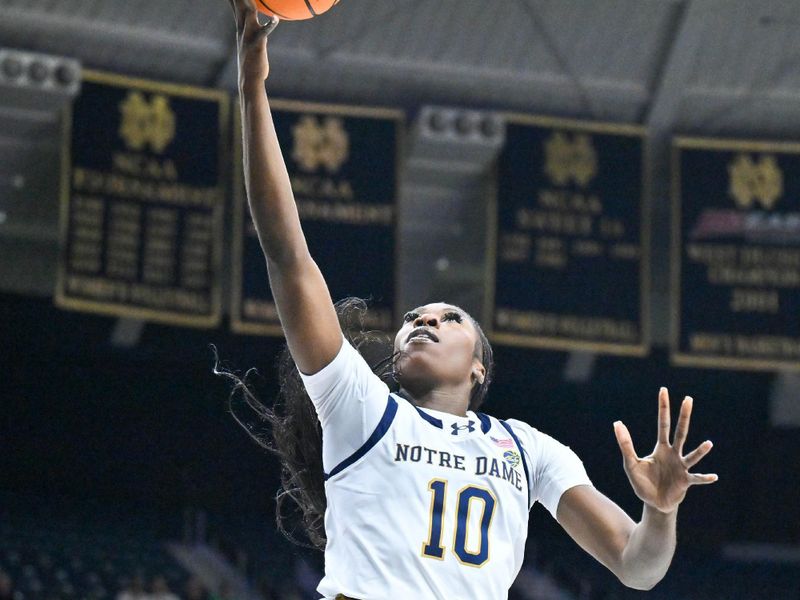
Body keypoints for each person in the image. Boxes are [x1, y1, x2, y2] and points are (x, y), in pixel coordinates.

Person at [221, 1, 718, 598]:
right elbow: (287, 253)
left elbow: (639, 567)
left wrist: (660, 513)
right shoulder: (359, 406)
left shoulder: (526, 448)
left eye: (448, 318)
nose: (423, 321)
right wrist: (252, 84)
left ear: (480, 365)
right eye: (412, 320)